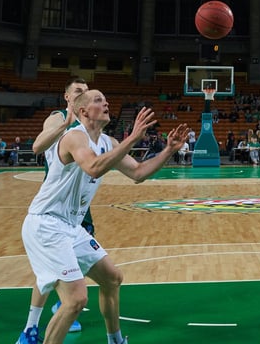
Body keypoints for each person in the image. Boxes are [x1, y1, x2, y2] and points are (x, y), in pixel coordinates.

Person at [21, 90, 188, 344]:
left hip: (71, 226)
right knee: (76, 299)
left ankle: (116, 341)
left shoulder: (107, 142)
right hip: (46, 224)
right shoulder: (74, 137)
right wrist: (132, 138)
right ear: (83, 112)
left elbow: (139, 173)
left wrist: (168, 151)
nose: (106, 102)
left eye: (106, 99)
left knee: (112, 278)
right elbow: (94, 168)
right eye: (98, 100)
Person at [19, 77, 91, 343]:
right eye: (77, 92)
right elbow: (37, 146)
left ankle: (64, 305)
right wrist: (64, 123)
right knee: (46, 272)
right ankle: (31, 327)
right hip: (54, 201)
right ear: (67, 97)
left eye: (86, 91)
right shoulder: (57, 117)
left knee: (79, 260)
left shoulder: (89, 123)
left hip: (78, 202)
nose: (83, 95)